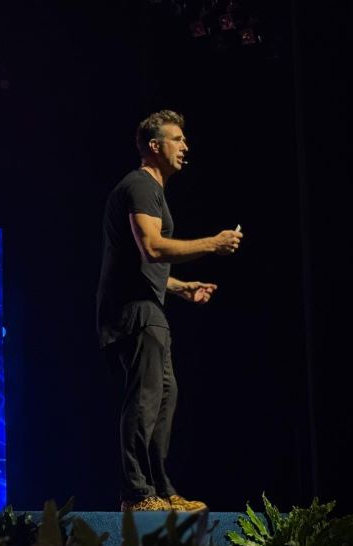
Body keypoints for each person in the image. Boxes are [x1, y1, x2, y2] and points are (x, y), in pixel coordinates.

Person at [96, 110, 243, 512]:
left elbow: (143, 262)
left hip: (150, 306)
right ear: (154, 146)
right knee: (144, 399)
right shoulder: (140, 185)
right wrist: (212, 244)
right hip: (135, 312)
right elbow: (153, 248)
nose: (185, 146)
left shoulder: (153, 189)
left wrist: (179, 287)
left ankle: (159, 490)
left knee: (165, 395)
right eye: (177, 139)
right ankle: (135, 494)